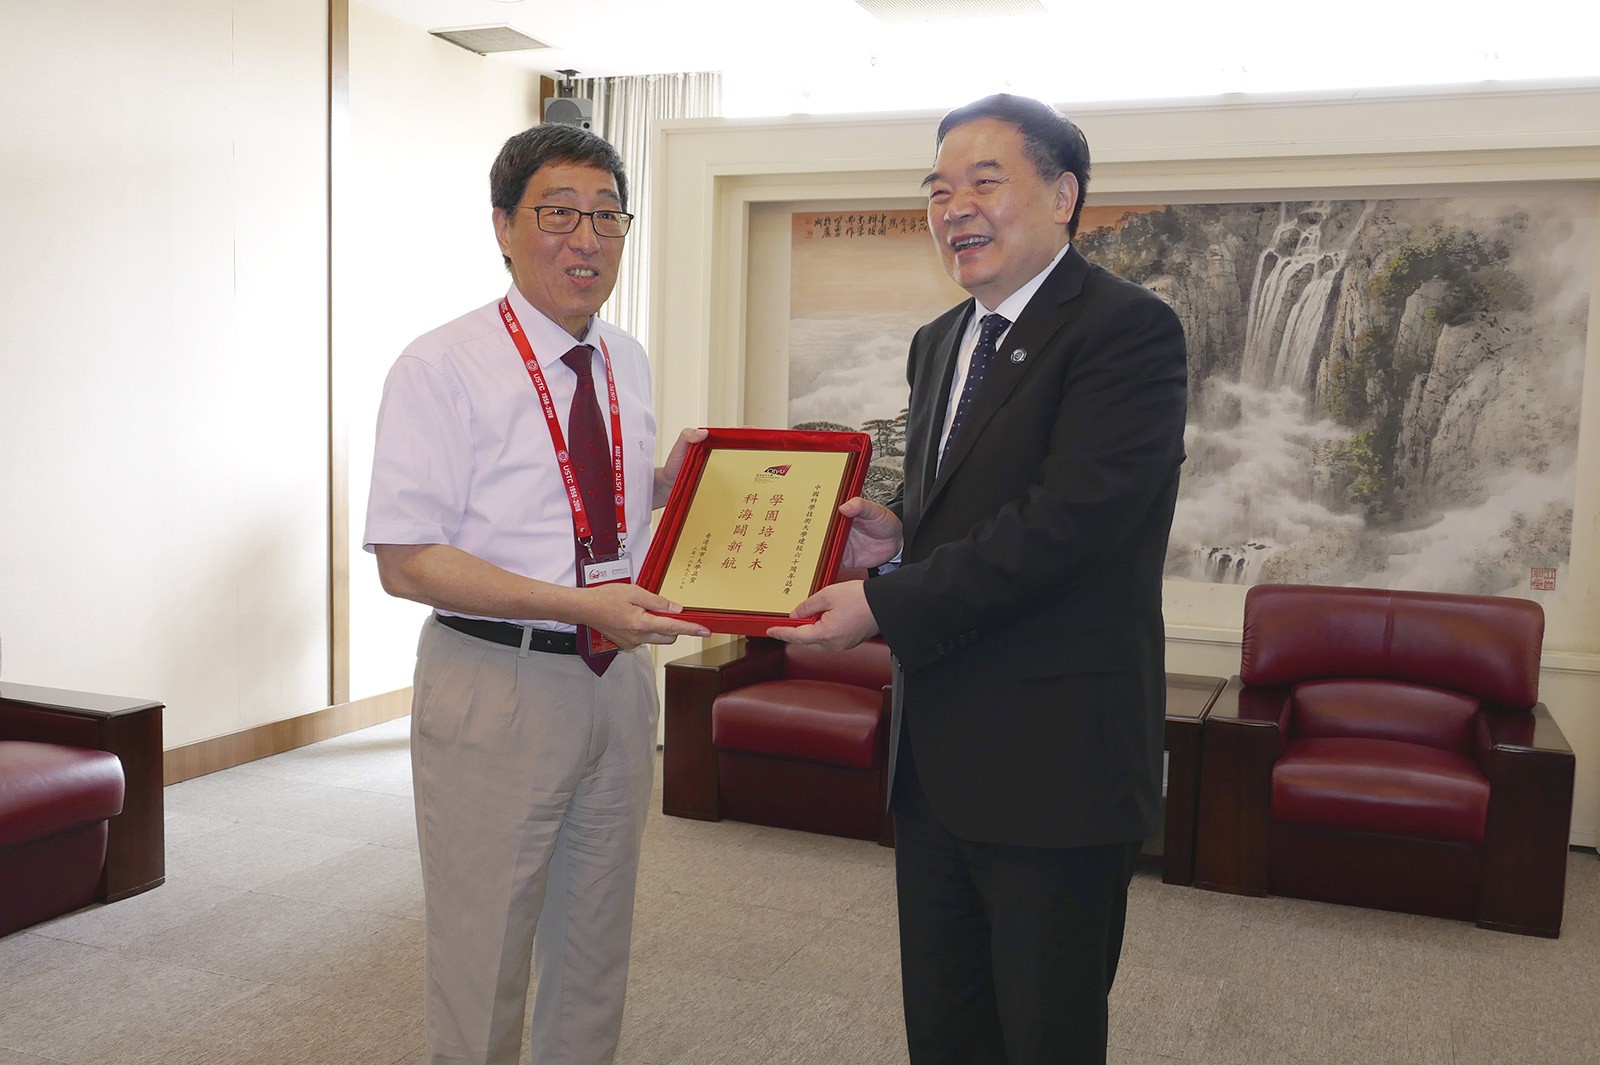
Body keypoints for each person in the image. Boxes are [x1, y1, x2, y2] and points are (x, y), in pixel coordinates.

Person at [770, 94, 1189, 1065]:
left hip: (1057, 769)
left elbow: (1068, 526)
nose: (954, 206)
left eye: (984, 183)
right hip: (936, 763)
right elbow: (975, 512)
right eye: (938, 189)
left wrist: (881, 603)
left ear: (1062, 195)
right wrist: (899, 539)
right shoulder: (941, 342)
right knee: (947, 1032)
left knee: (1044, 1034)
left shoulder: (1126, 332)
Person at [363, 123, 709, 1065]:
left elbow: (580, 502)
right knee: (484, 956)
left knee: (596, 945)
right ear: (504, 227)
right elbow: (406, 558)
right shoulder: (441, 365)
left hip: (615, 681)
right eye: (558, 213)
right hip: (494, 682)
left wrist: (669, 483)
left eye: (607, 216)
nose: (585, 238)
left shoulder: (624, 359)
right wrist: (582, 607)